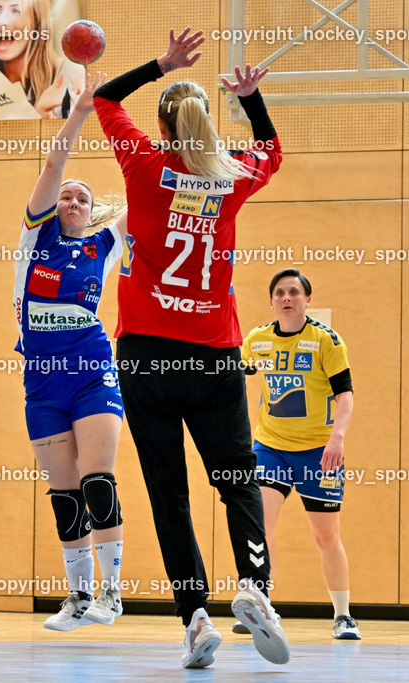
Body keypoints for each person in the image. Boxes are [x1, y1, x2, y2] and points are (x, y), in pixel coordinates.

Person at [93, 28, 289, 668]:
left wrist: (162, 63)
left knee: (169, 491)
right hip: (213, 351)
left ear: (163, 124)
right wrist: (253, 99)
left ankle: (195, 618)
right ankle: (256, 590)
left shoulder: (145, 166)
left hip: (148, 354)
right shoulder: (231, 176)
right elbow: (273, 151)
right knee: (238, 480)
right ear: (207, 122)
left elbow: (103, 98)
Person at [13, 74, 126, 631]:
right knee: (63, 493)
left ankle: (112, 593)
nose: (74, 199)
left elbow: (153, 195)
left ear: (91, 210)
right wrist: (80, 112)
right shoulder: (35, 240)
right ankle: (78, 596)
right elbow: (54, 168)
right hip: (42, 381)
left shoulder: (105, 244)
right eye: (67, 196)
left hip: (91, 373)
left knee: (96, 479)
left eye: (83, 197)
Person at [237, 269, 360, 640]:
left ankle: (343, 616)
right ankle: (258, 605)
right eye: (280, 293)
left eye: (294, 292)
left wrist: (337, 439)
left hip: (318, 452)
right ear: (271, 301)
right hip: (271, 446)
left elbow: (346, 395)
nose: (287, 298)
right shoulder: (257, 340)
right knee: (261, 526)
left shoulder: (326, 341)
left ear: (308, 299)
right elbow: (232, 380)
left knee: (326, 536)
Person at [0, 0, 84, 118]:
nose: (1, 22)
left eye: (16, 11)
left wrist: (46, 120)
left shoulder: (69, 75)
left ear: (37, 23)